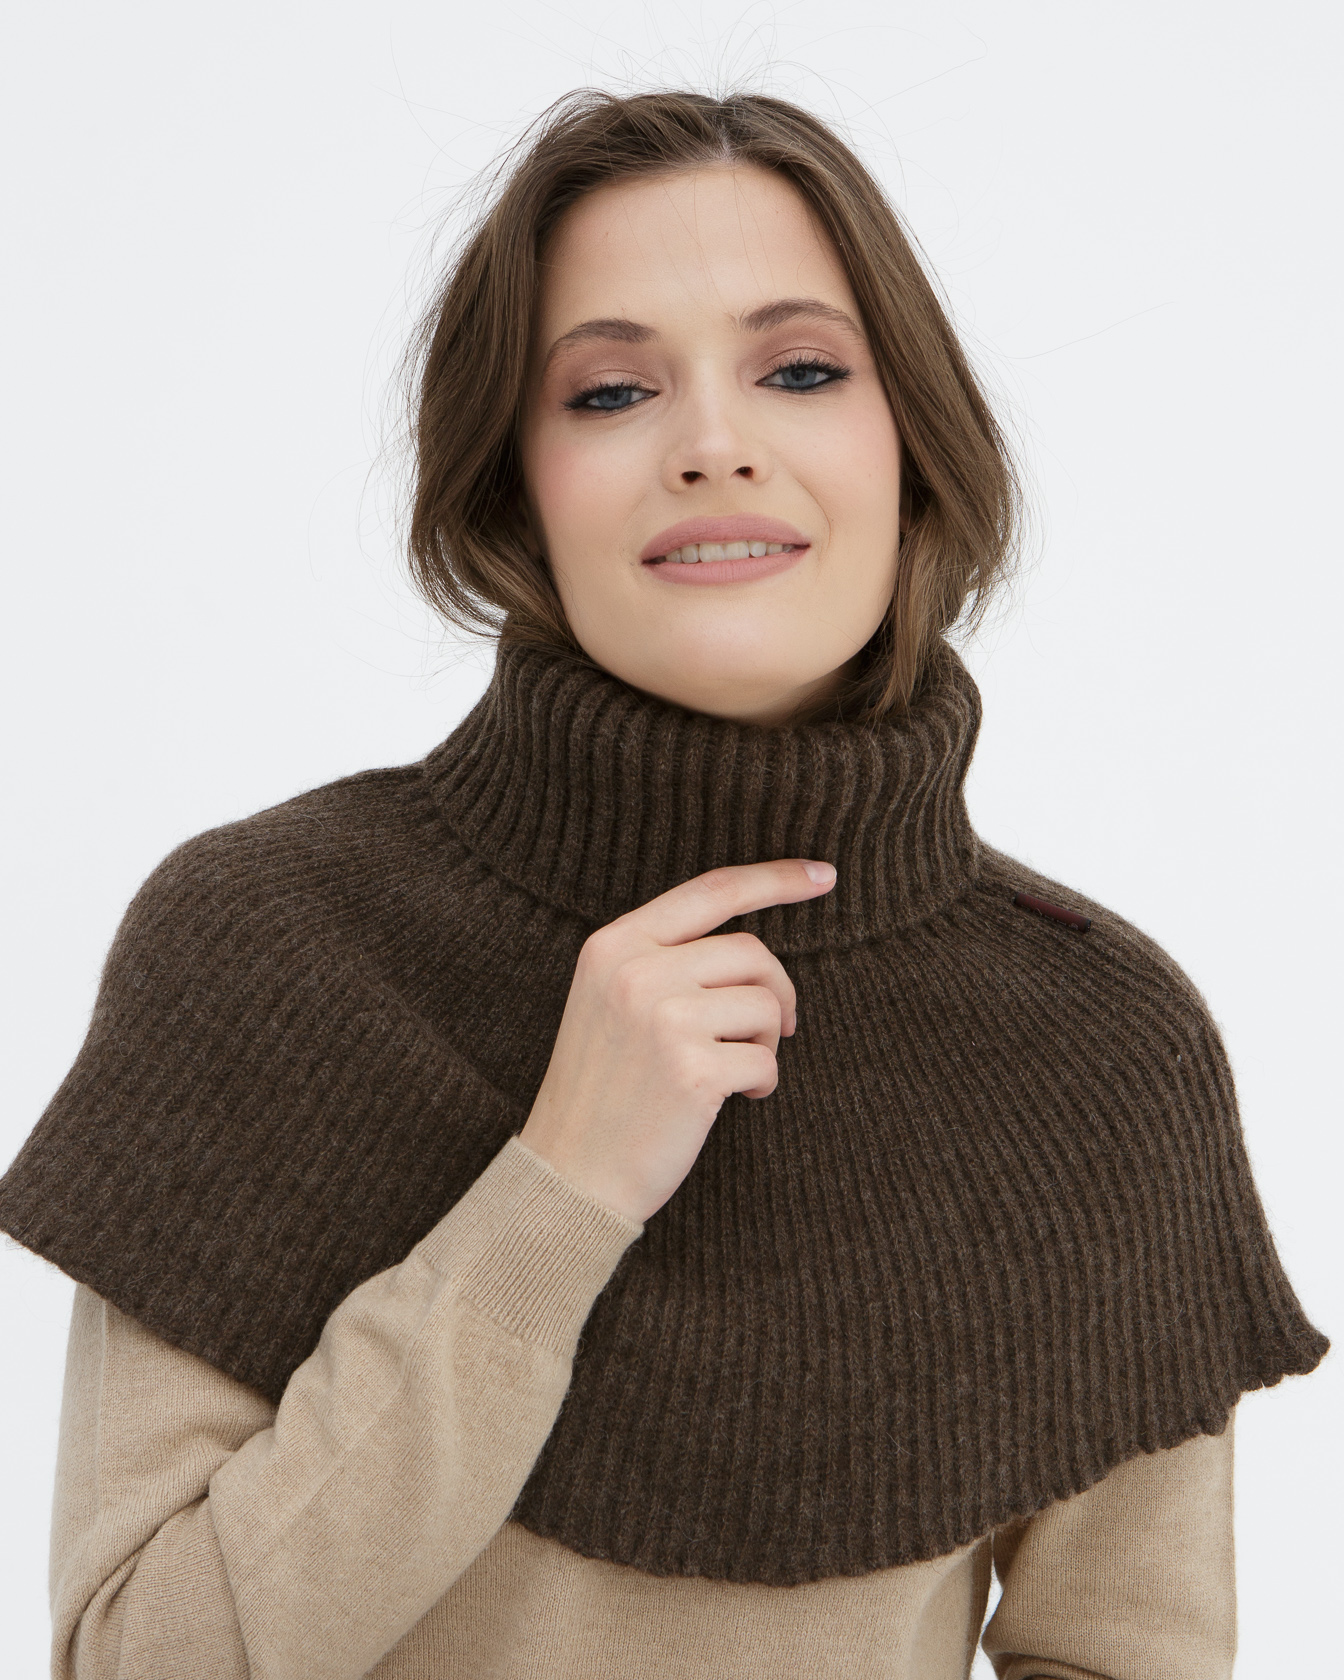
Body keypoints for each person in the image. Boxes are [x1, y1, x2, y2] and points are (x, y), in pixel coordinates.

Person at [0, 89, 1327, 1680]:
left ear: (913, 448)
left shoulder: (1101, 1049)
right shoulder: (269, 948)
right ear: (514, 484)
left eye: (802, 371)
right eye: (614, 390)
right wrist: (557, 1193)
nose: (713, 444)